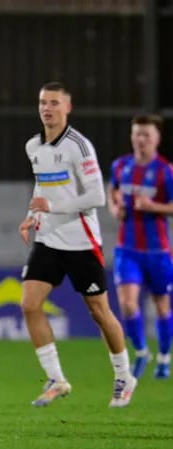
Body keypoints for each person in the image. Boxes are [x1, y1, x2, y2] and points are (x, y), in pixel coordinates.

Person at [19, 81, 137, 408]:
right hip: (48, 239)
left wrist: (52, 208)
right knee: (29, 304)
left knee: (100, 312)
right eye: (43, 102)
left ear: (67, 108)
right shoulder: (33, 146)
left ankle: (124, 375)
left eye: (54, 103)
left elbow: (96, 196)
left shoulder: (79, 146)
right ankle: (56, 379)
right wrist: (32, 214)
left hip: (81, 240)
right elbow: (42, 189)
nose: (47, 108)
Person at [109, 114, 173, 380]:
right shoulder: (120, 166)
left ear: (157, 138)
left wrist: (153, 207)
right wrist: (115, 209)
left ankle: (164, 358)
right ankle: (141, 351)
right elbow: (112, 192)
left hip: (158, 251)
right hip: (127, 249)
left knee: (161, 305)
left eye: (146, 134)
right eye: (137, 134)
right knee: (126, 304)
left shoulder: (165, 171)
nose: (140, 139)